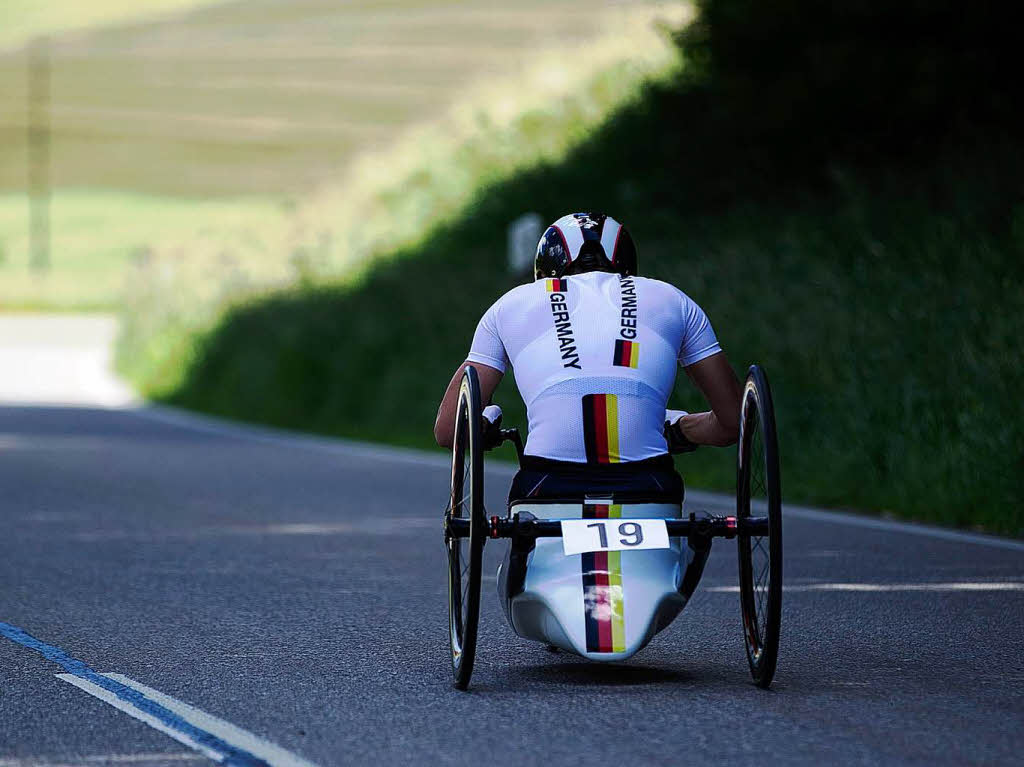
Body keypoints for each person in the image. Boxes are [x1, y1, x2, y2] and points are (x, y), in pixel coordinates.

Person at [434, 212, 741, 505]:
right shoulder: (673, 298)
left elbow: (449, 430)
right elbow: (732, 423)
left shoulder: (509, 305)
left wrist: (485, 429)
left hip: (547, 482)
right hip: (650, 483)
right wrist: (681, 429)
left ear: (545, 268)